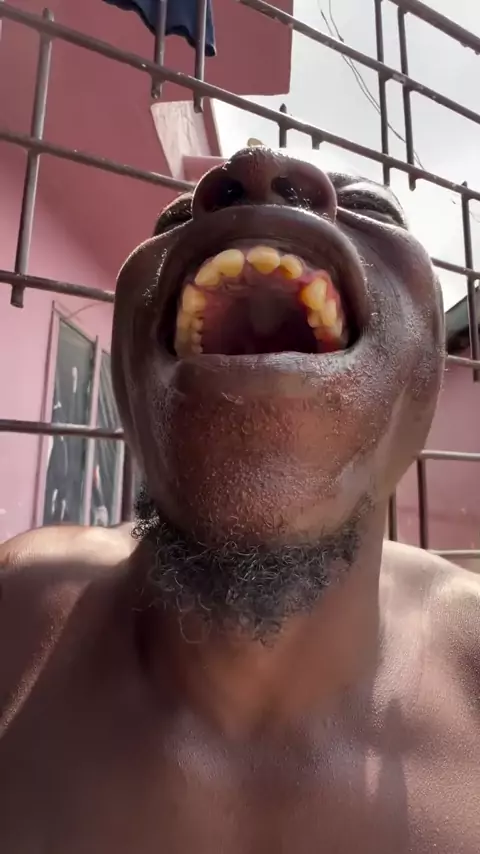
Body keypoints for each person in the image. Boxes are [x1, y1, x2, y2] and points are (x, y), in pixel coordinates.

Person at [0, 147, 478, 854]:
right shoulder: (14, 614)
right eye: (175, 219)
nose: (254, 173)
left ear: (430, 360)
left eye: (368, 209)